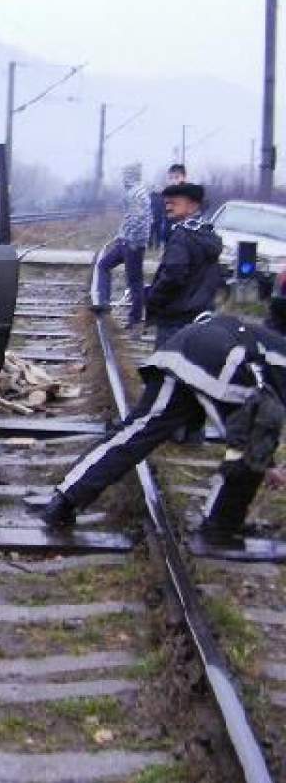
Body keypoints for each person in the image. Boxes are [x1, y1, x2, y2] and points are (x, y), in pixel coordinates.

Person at [39, 299, 286, 537]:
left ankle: (65, 499)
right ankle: (220, 526)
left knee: (136, 432)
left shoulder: (273, 346)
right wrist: (268, 464)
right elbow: (262, 423)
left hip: (185, 346)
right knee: (248, 453)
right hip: (223, 360)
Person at [145, 180, 222, 349]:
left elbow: (173, 275)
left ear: (192, 205)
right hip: (202, 317)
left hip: (175, 320)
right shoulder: (207, 234)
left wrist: (153, 298)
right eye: (167, 202)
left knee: (163, 370)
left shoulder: (181, 236)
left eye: (174, 202)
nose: (168, 206)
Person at [90, 163, 151, 328]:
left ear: (130, 176)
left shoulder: (138, 194)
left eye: (125, 175)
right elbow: (129, 219)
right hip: (125, 242)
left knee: (135, 281)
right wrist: (120, 236)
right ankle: (103, 303)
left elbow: (139, 221)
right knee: (103, 265)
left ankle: (135, 320)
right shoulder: (133, 193)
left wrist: (132, 241)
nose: (123, 179)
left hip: (132, 245)